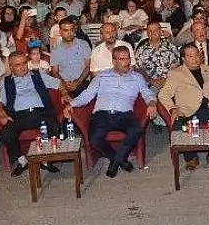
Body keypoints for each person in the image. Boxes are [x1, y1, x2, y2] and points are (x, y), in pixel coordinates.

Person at [65, 46, 158, 178]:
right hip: (102, 114)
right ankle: (120, 160)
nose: (127, 62)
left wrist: (152, 103)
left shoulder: (137, 77)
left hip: (125, 114)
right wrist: (71, 104)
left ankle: (114, 163)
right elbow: (87, 95)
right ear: (114, 61)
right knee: (94, 138)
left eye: (128, 58)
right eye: (122, 59)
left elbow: (147, 93)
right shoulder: (102, 76)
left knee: (136, 129)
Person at [158, 43, 209, 170]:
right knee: (179, 127)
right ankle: (191, 157)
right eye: (190, 56)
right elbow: (163, 95)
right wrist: (173, 109)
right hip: (188, 112)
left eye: (196, 55)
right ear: (183, 59)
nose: (195, 59)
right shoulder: (175, 74)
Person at [0, 51, 63, 177]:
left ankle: (45, 160)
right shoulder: (6, 82)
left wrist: (65, 94)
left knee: (55, 127)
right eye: (17, 65)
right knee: (5, 133)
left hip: (41, 113)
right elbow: (0, 101)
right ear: (11, 67)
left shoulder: (38, 75)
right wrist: (1, 112)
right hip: (18, 115)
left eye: (24, 63)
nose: (22, 67)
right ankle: (22, 160)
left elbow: (58, 84)